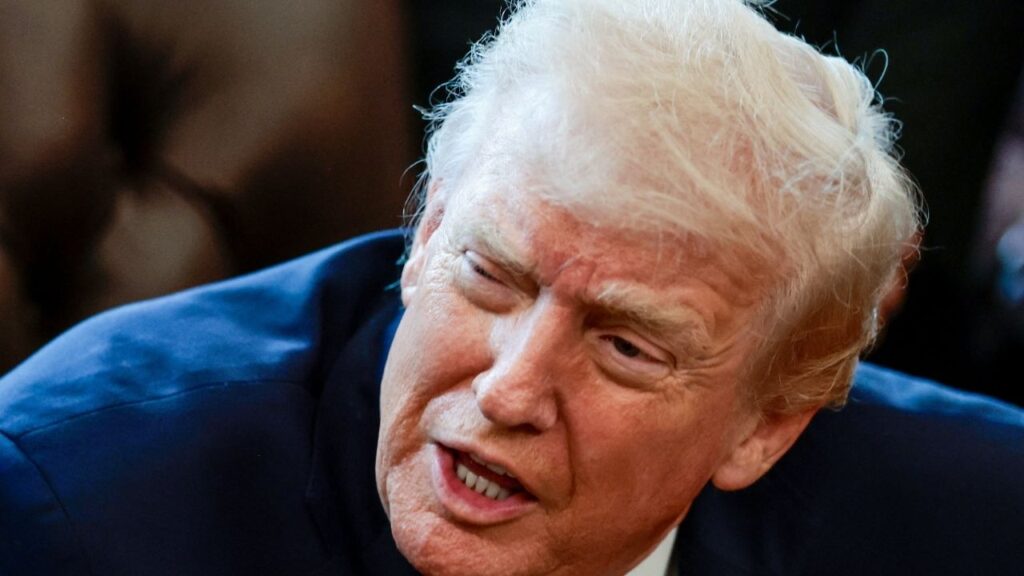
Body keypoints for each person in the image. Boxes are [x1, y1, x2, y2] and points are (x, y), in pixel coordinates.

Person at [1, 1, 1021, 575]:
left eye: (626, 345)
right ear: (428, 227)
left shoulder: (976, 516)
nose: (506, 390)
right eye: (489, 275)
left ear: (768, 423)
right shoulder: (73, 506)